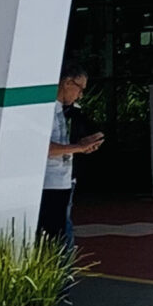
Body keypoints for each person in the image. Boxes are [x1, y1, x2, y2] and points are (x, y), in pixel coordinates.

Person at [41, 63, 104, 260]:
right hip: (48, 183)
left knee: (61, 235)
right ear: (67, 82)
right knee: (52, 238)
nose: (80, 95)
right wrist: (78, 147)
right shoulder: (47, 110)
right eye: (80, 88)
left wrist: (83, 144)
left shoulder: (66, 111)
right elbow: (43, 148)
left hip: (64, 181)